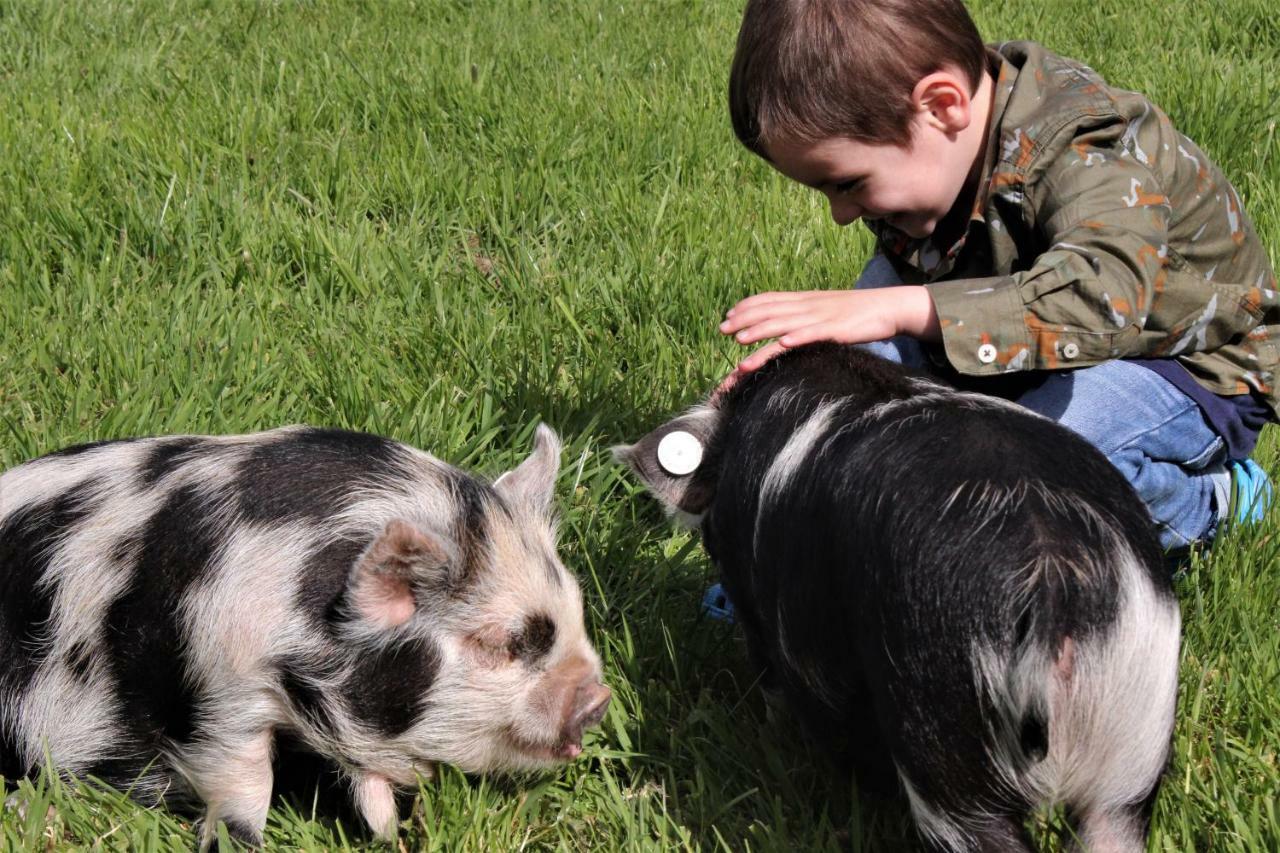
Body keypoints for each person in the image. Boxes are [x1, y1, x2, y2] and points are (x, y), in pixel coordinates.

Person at [718, 0, 1276, 552]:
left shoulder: (1083, 143)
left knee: (1040, 464)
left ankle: (1209, 502)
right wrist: (806, 377)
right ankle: (792, 549)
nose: (841, 215)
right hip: (1014, 320)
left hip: (1181, 360)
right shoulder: (942, 150)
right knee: (848, 384)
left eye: (847, 184)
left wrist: (897, 308)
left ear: (941, 106)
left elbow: (1103, 298)